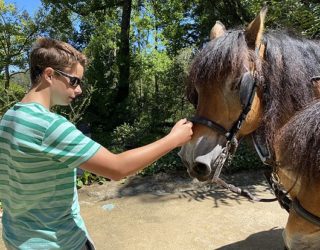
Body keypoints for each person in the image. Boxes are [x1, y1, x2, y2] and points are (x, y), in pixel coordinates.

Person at [0, 37, 193, 250]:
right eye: (74, 80)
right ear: (49, 75)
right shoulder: (49, 126)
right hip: (59, 243)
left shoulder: (10, 117)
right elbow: (117, 168)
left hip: (17, 239)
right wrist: (173, 139)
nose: (79, 89)